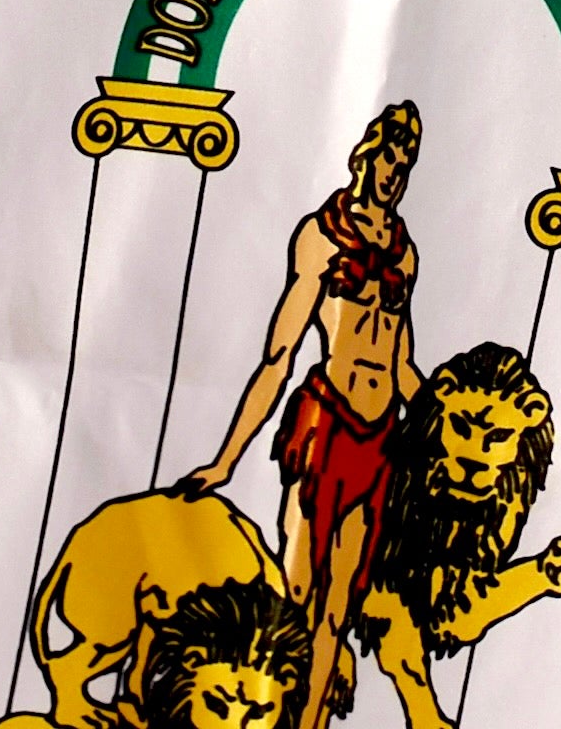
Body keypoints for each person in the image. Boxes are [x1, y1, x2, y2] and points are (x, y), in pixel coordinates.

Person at [179, 101, 428, 729]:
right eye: (391, 155)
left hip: (381, 438)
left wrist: (441, 425)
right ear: (367, 154)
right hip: (326, 423)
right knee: (296, 595)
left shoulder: (405, 254)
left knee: (337, 612)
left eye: (408, 161)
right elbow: (278, 353)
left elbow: (403, 366)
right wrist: (226, 460)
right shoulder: (320, 236)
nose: (397, 170)